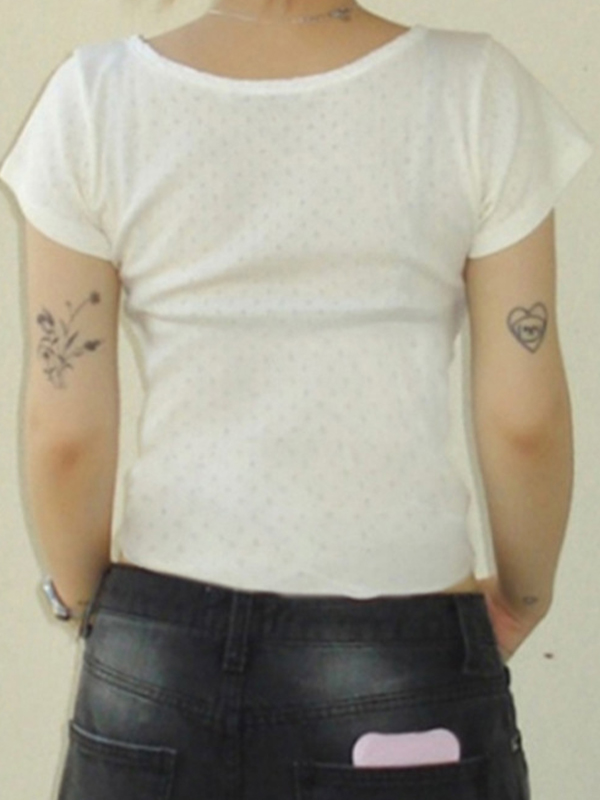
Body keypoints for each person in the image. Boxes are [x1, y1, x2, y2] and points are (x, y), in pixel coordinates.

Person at [0, 1, 593, 798]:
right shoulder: (475, 89)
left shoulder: (92, 98)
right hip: (401, 658)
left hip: (157, 660)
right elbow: (525, 420)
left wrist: (91, 609)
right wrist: (523, 598)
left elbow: (63, 430)